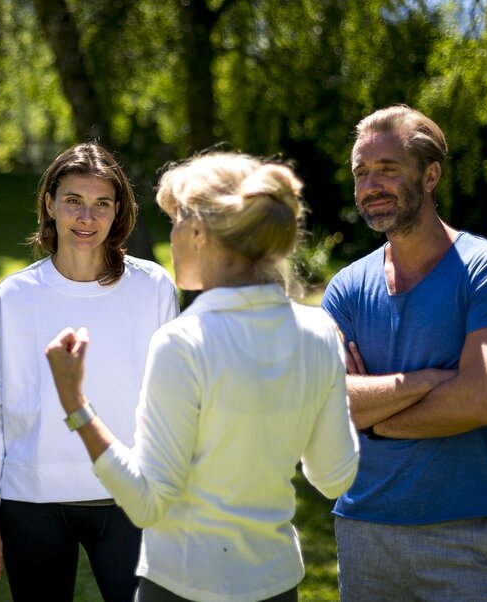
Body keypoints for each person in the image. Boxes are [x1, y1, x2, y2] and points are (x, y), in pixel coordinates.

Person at [46, 151, 360, 602]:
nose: (171, 236)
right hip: (276, 585)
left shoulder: (183, 342)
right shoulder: (319, 332)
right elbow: (333, 478)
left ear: (197, 232)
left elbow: (147, 502)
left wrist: (75, 404)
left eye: (175, 221)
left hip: (182, 586)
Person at [320, 105, 487, 602]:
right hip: (363, 527)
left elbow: (478, 402)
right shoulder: (346, 287)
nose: (370, 185)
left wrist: (372, 422)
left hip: (465, 533)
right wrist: (437, 379)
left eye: (388, 169)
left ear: (430, 175)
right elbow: (325, 406)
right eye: (361, 173)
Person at [0, 142, 179, 602]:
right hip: (31, 503)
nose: (87, 217)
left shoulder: (154, 287)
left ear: (118, 209)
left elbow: (174, 403)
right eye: (73, 201)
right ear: (49, 204)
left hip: (131, 500)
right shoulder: (13, 296)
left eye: (102, 203)